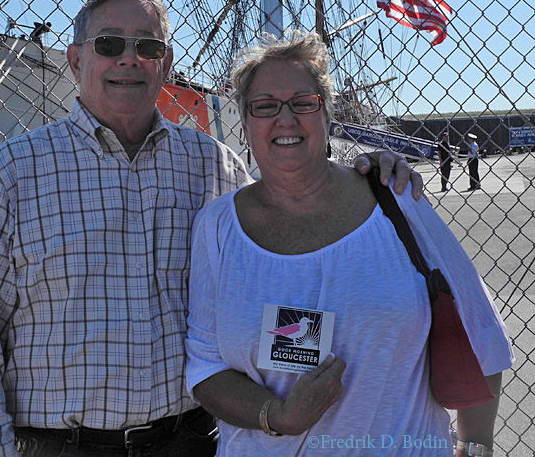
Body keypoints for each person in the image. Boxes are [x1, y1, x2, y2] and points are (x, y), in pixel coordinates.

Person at [0, 0, 423, 457]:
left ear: (166, 64)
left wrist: (359, 180)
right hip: (62, 446)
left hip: (192, 440)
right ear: (75, 60)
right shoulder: (12, 173)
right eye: (109, 45)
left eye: (147, 47)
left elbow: (273, 281)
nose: (129, 59)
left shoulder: (213, 165)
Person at [185, 32, 513, 457]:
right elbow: (206, 367)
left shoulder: (395, 199)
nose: (285, 119)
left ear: (327, 113)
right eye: (264, 106)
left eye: (304, 103)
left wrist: (475, 448)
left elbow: (478, 332)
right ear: (245, 123)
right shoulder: (217, 227)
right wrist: (278, 415)